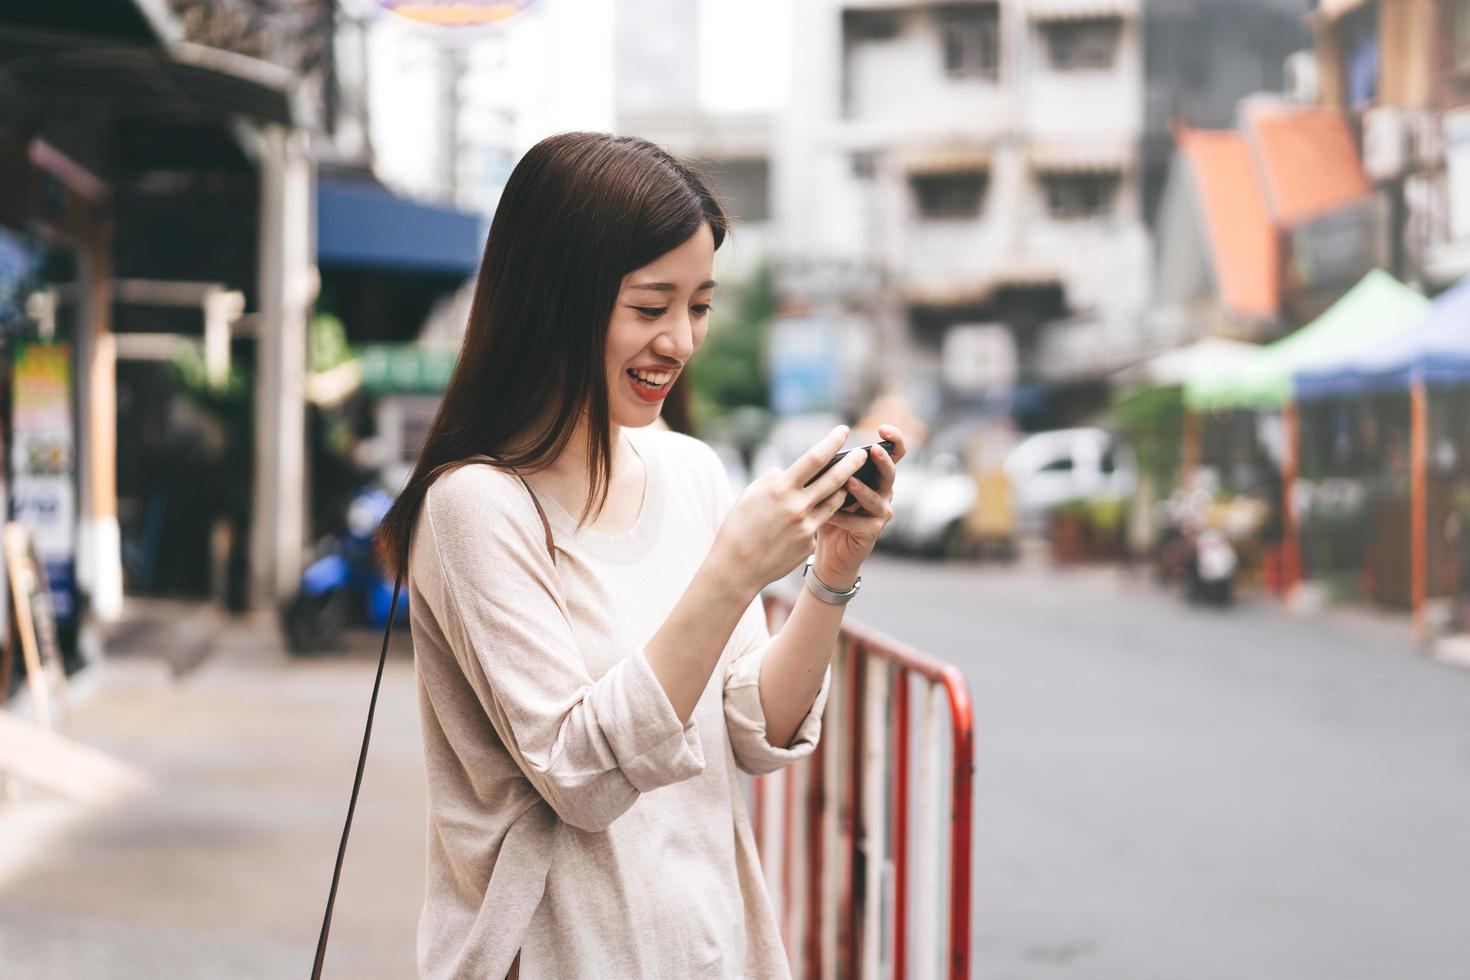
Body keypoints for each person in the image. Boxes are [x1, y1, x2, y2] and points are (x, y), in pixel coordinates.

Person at [374, 132, 906, 980]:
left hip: (705, 946)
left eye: (698, 306)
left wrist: (831, 574)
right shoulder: (474, 506)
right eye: (650, 306)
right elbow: (578, 776)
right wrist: (732, 573)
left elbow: (755, 728)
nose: (681, 342)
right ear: (558, 299)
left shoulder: (689, 469)